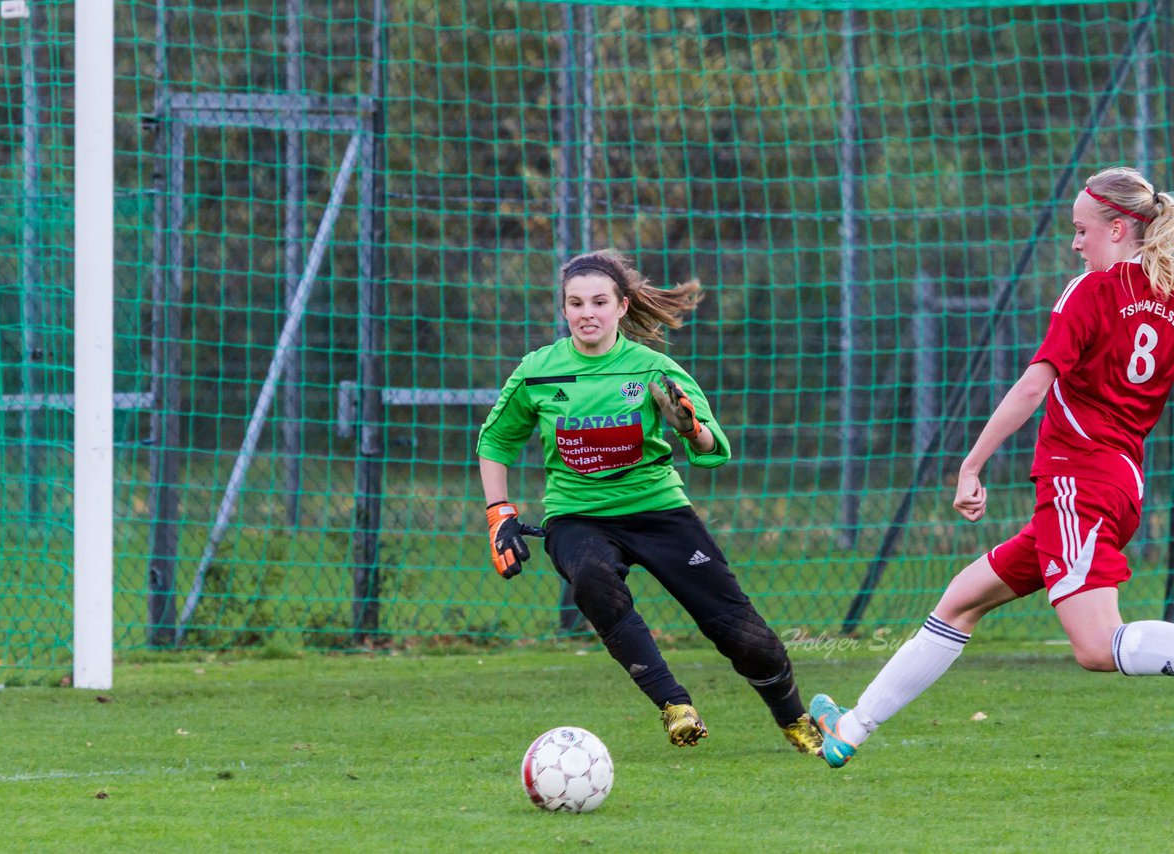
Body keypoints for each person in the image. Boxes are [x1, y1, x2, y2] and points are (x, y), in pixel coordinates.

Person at [810, 166, 1174, 768]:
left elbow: (1034, 386)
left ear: (1118, 227)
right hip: (1115, 486)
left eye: (1082, 231)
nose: (1075, 243)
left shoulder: (1090, 291)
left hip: (1076, 484)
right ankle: (850, 727)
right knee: (961, 600)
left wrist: (971, 464)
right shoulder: (1167, 299)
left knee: (1094, 645)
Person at [477, 248, 821, 754]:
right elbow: (496, 441)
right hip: (578, 517)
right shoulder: (537, 372)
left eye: (598, 302)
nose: (586, 313)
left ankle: (795, 720)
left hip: (659, 511)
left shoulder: (654, 369)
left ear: (621, 307)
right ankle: (674, 704)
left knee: (745, 637)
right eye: (575, 303)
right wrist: (499, 514)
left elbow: (712, 450)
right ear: (564, 309)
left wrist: (690, 428)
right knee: (593, 580)